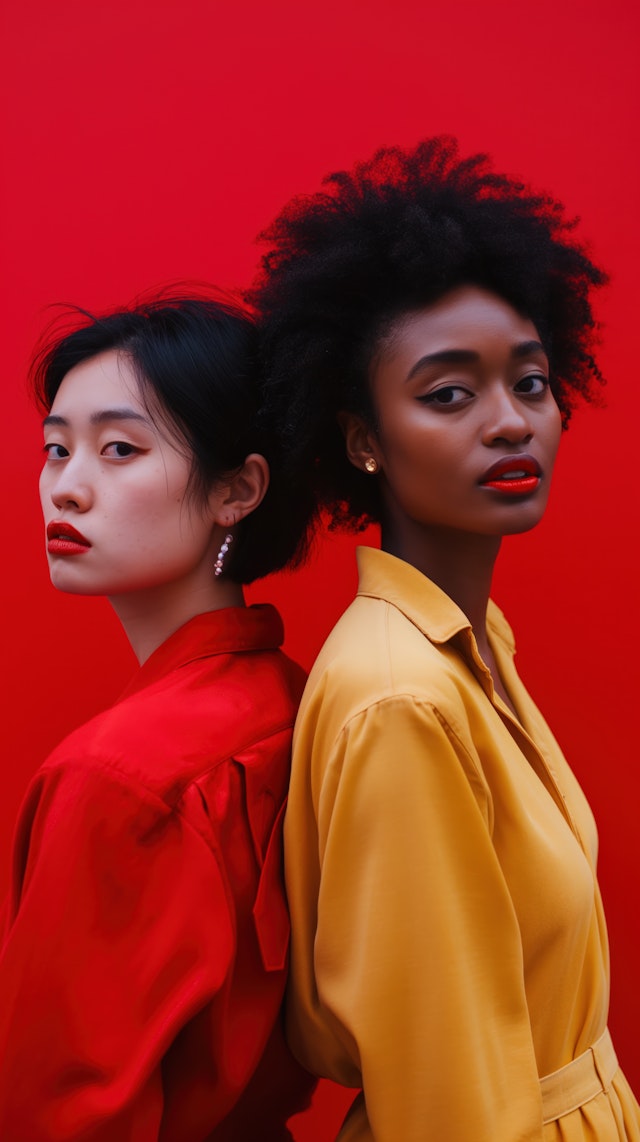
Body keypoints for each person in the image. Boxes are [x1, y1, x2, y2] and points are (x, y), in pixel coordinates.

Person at [249, 137, 640, 1140]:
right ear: (362, 437)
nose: (509, 422)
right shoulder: (401, 697)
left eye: (531, 382)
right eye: (448, 393)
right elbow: (450, 1106)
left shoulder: (469, 648)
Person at [0, 292, 314, 1140]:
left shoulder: (119, 777)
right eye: (56, 448)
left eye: (120, 449)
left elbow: (58, 1115)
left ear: (237, 489)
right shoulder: (293, 698)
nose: (66, 486)